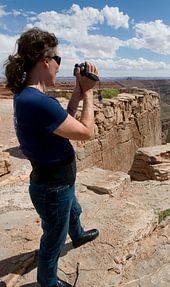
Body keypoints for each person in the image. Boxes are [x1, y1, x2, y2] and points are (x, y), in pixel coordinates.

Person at [4, 27, 99, 287]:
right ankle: (48, 281)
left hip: (55, 182)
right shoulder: (38, 101)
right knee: (52, 241)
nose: (59, 66)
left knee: (74, 210)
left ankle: (77, 234)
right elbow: (85, 132)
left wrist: (76, 97)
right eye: (58, 60)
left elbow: (58, 125)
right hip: (53, 188)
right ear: (46, 61)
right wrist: (89, 91)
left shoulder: (28, 96)